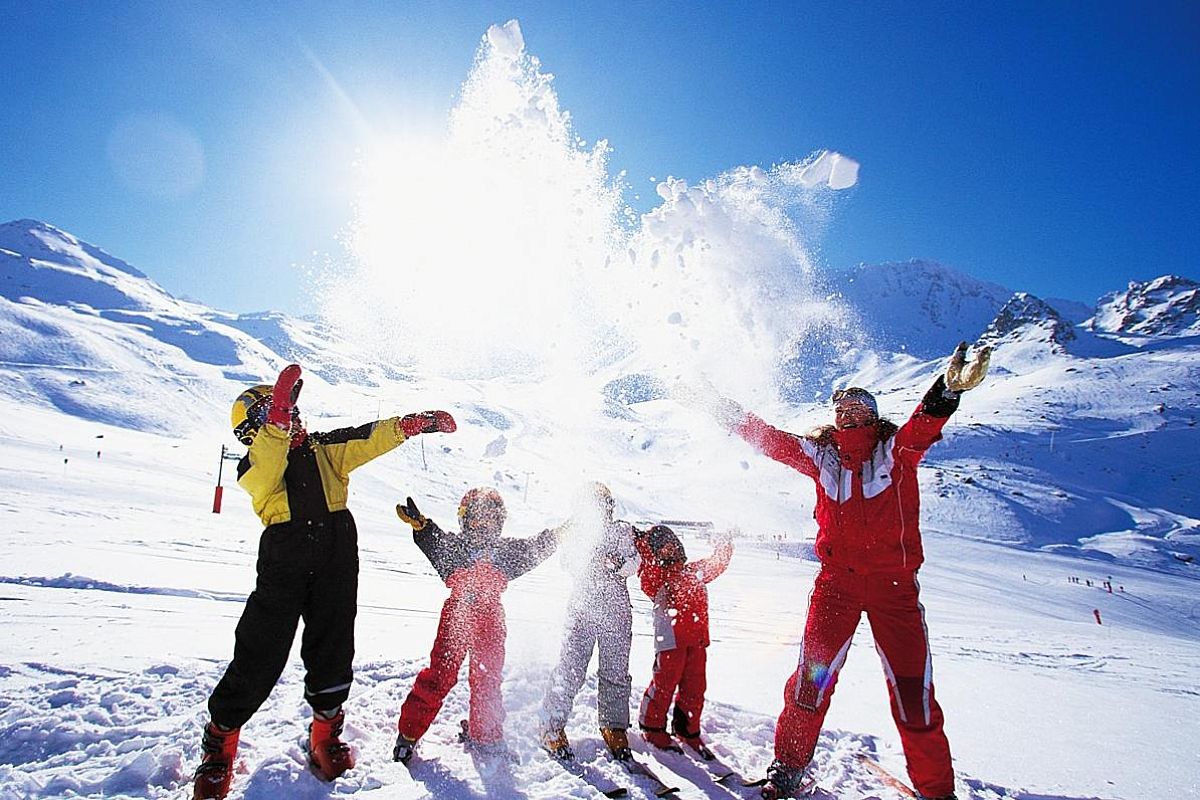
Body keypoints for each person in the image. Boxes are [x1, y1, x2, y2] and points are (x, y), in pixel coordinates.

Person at [692, 342, 989, 800]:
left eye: (859, 407)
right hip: (836, 588)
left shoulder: (894, 453)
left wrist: (947, 391)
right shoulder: (822, 458)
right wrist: (714, 405)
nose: (849, 414)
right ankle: (788, 770)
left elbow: (921, 429)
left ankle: (936, 790)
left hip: (895, 592)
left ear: (873, 415)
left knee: (914, 695)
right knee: (809, 683)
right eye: (841, 408)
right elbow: (767, 437)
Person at [192, 363, 456, 800]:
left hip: (336, 551)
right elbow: (269, 466)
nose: (289, 419)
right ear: (250, 433)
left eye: (289, 410)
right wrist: (275, 424)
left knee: (333, 645)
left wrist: (409, 426)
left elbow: (365, 438)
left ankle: (326, 733)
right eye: (274, 415)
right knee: (261, 649)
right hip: (285, 556)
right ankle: (220, 744)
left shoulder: (323, 448)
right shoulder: (253, 467)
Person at [392, 488, 566, 762]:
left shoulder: (505, 551)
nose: (483, 524)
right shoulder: (455, 547)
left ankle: (485, 735)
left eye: (491, 518)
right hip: (457, 615)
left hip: (491, 619)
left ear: (499, 522)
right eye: (477, 518)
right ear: (465, 520)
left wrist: (558, 535)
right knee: (440, 675)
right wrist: (422, 526)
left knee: (488, 679)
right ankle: (409, 735)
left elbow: (533, 548)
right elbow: (434, 540)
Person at [539, 482, 640, 761]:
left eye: (603, 504)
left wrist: (618, 564)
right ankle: (550, 724)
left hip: (616, 611)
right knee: (571, 667)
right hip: (584, 607)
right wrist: (589, 559)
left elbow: (635, 563)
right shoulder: (578, 531)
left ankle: (614, 725)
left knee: (616, 671)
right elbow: (567, 563)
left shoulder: (622, 530)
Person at [633, 523, 734, 758]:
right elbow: (647, 578)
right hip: (671, 640)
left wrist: (724, 543)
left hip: (697, 641)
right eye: (663, 548)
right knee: (665, 682)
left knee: (695, 687)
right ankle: (651, 726)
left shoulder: (692, 571)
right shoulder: (655, 577)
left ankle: (687, 729)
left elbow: (716, 564)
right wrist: (648, 550)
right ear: (655, 552)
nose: (670, 551)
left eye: (673, 546)